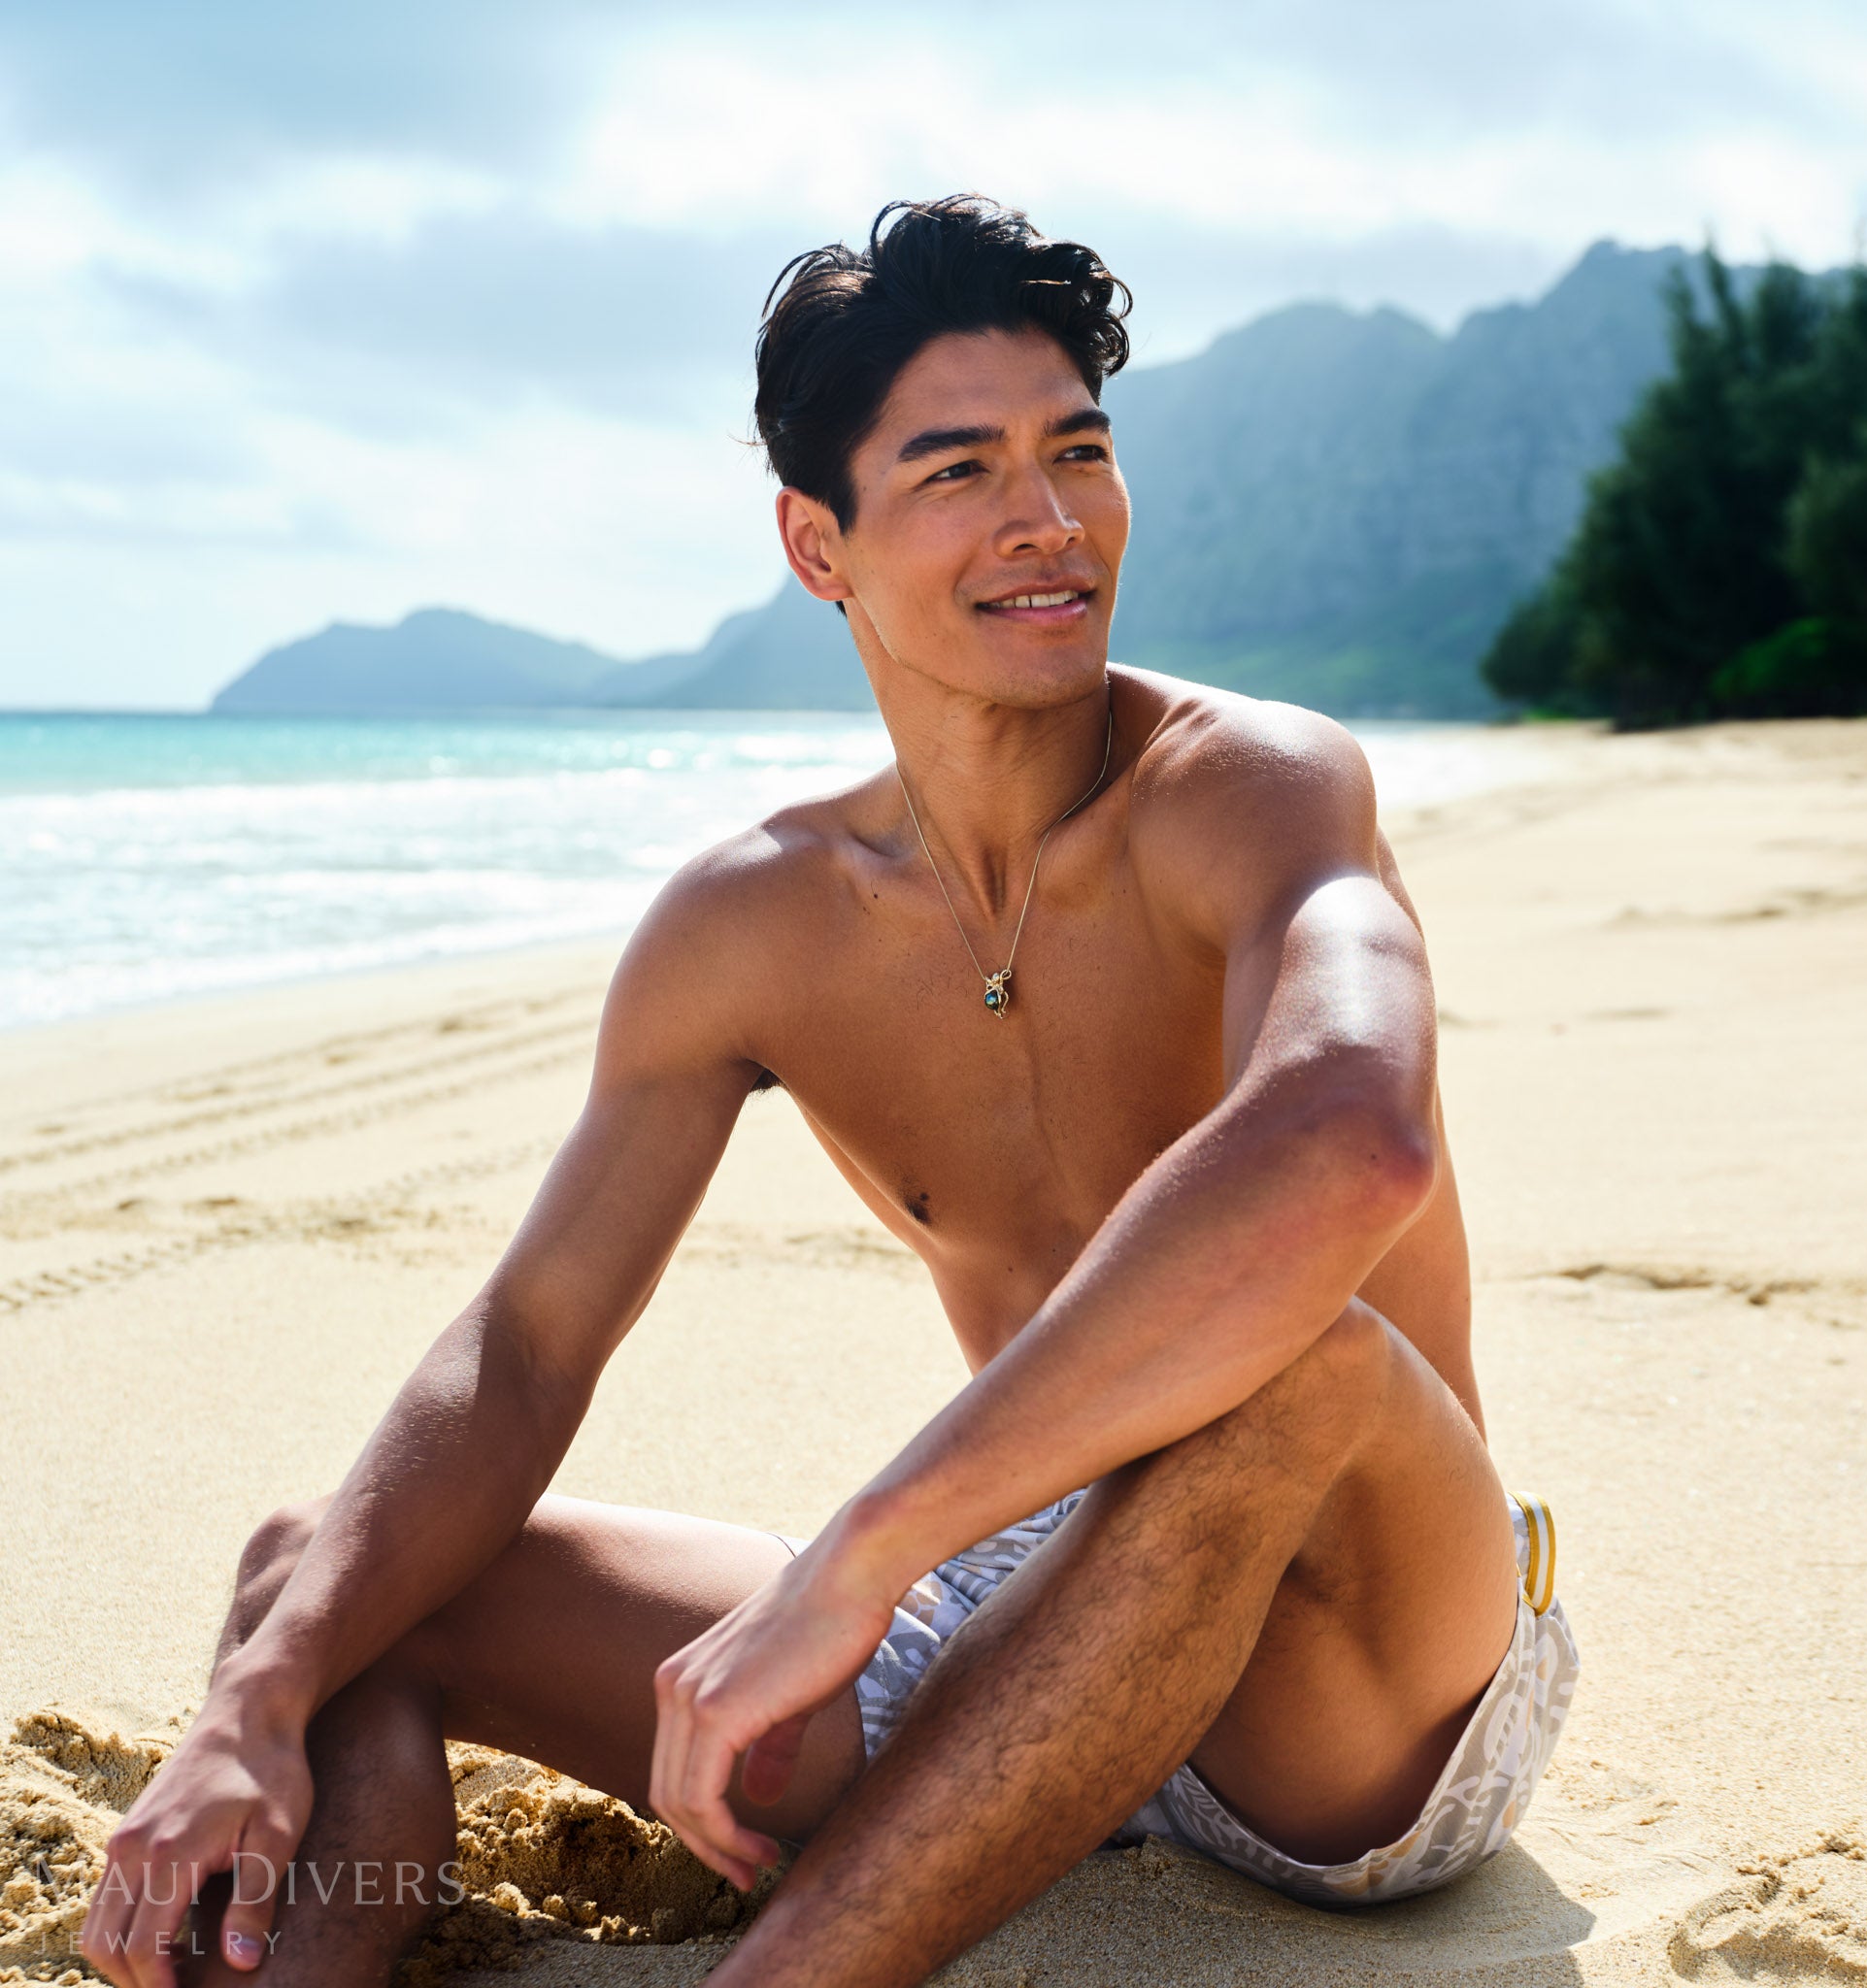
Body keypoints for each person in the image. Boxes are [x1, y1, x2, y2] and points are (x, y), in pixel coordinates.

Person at [81, 194, 1577, 1988]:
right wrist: (258, 1697)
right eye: (958, 472)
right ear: (819, 543)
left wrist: (855, 1554)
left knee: (1296, 1367)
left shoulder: (1250, 792)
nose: (1047, 521)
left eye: (1077, 452)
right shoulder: (756, 925)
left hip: (1356, 1688)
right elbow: (531, 1341)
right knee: (326, 1583)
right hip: (1023, 1626)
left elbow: (1353, 1139)